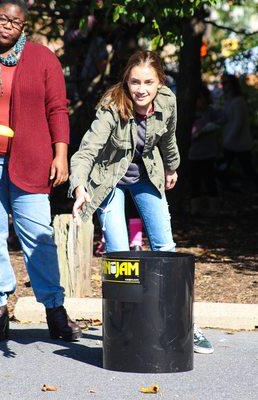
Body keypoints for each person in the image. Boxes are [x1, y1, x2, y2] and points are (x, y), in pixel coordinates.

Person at [69, 50, 213, 354]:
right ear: (127, 81)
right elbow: (87, 150)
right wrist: (80, 185)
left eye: (148, 82)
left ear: (159, 82)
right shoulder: (112, 107)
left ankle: (184, 323)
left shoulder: (167, 102)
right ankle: (124, 326)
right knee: (121, 256)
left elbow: (169, 139)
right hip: (110, 179)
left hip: (147, 174)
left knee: (166, 249)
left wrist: (172, 166)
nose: (141, 89)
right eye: (135, 82)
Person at [0, 0, 81, 342]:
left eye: (15, 21)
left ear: (24, 25)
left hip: (31, 160)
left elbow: (58, 108)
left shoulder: (43, 58)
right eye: (2, 18)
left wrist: (61, 155)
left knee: (39, 238)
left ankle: (54, 310)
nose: (7, 25)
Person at [219, 74, 258, 192]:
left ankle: (253, 188)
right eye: (223, 83)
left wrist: (227, 141)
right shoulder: (229, 101)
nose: (223, 86)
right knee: (223, 168)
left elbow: (238, 123)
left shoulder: (238, 102)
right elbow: (225, 118)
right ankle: (227, 188)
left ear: (232, 85)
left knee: (248, 169)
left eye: (226, 83)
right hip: (231, 143)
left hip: (240, 144)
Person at [188, 84, 220, 216]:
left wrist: (209, 127)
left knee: (210, 181)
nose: (200, 101)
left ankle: (214, 209)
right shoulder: (189, 113)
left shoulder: (211, 112)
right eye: (197, 98)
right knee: (194, 182)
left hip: (208, 154)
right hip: (193, 154)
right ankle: (195, 209)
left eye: (202, 98)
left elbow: (224, 118)